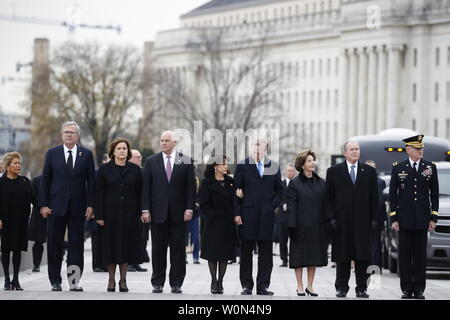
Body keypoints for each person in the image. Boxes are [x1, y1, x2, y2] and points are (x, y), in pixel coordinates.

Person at [39, 121, 96, 292]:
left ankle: (74, 281)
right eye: (66, 132)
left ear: (77, 135)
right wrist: (43, 205)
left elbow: (91, 182)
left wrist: (91, 205)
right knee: (54, 243)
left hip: (78, 207)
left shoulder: (86, 154)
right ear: (61, 135)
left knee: (76, 244)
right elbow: (45, 181)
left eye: (72, 132)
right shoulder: (52, 154)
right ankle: (55, 280)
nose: (69, 134)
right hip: (55, 207)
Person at [141, 131, 196, 294]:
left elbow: (190, 188)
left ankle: (176, 283)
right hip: (157, 213)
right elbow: (146, 188)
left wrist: (189, 208)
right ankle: (157, 282)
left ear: (175, 143)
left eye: (167, 140)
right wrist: (145, 209)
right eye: (161, 140)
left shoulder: (185, 161)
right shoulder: (151, 161)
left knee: (178, 251)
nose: (163, 143)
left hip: (179, 214)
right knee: (158, 249)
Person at [325, 141, 379, 298]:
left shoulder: (368, 171)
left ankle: (361, 288)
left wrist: (375, 218)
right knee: (343, 257)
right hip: (341, 222)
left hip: (363, 221)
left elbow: (374, 197)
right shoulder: (334, 171)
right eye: (352, 149)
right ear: (345, 152)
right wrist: (330, 218)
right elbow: (328, 198)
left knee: (363, 257)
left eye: (357, 149)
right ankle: (341, 287)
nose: (355, 152)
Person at [389, 134, 439, 299]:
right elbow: (392, 196)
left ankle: (418, 288)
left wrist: (433, 217)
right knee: (404, 255)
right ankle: (406, 288)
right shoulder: (398, 167)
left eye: (422, 148)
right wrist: (394, 218)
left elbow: (435, 195)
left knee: (419, 255)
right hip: (404, 220)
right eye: (418, 149)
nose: (421, 151)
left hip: (422, 219)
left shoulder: (430, 167)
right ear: (408, 150)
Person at [234, 138, 283, 296]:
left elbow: (280, 190)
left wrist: (272, 206)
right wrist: (237, 213)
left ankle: (263, 286)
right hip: (247, 215)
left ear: (265, 149)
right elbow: (235, 191)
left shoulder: (274, 166)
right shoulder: (242, 165)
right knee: (246, 252)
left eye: (259, 146)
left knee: (266, 254)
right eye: (254, 146)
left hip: (267, 217)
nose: (256, 149)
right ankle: (247, 285)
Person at [95, 138, 144, 292]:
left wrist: (142, 211)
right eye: (119, 148)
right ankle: (111, 280)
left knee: (126, 247)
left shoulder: (135, 170)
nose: (122, 151)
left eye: (124, 148)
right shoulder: (104, 169)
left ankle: (123, 280)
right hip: (109, 215)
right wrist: (99, 216)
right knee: (110, 247)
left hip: (130, 215)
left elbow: (140, 192)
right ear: (113, 152)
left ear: (128, 152)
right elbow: (99, 193)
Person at [286, 150, 328, 297]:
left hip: (317, 226)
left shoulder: (321, 183)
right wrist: (291, 226)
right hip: (299, 226)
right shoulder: (294, 183)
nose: (313, 163)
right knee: (299, 257)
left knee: (313, 257)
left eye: (313, 160)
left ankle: (310, 285)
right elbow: (291, 206)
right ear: (302, 165)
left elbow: (325, 204)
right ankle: (300, 285)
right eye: (309, 161)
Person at [199, 155, 237, 294]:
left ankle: (220, 281)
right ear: (215, 166)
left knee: (224, 254)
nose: (226, 166)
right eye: (223, 164)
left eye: (226, 164)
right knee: (212, 253)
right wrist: (212, 216)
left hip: (227, 222)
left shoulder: (231, 182)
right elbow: (203, 204)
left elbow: (234, 201)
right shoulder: (206, 183)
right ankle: (213, 280)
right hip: (212, 223)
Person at [0, 152, 37, 290]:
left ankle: (15, 279)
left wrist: (45, 207)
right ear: (7, 166)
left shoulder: (25, 181)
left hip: (21, 222)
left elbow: (35, 199)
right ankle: (7, 280)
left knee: (17, 250)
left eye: (19, 163)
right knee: (5, 250)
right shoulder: (1, 182)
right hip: (5, 222)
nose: (18, 165)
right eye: (15, 163)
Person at [127, 149, 148, 272]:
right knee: (131, 237)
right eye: (137, 157)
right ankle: (129, 262)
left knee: (143, 237)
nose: (140, 159)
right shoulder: (128, 170)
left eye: (140, 157)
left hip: (143, 209)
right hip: (131, 209)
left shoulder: (144, 170)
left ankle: (137, 262)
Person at [365, 160, 387, 271]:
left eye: (373, 168)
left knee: (376, 244)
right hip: (364, 219)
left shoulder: (380, 182)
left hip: (377, 219)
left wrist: (383, 220)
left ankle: (376, 267)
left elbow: (382, 202)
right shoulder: (362, 181)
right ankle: (365, 266)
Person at [277, 164, 296, 267]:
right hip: (282, 217)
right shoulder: (281, 184)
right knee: (282, 240)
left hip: (294, 217)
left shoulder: (297, 184)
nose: (290, 172)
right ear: (285, 172)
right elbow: (277, 197)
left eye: (292, 171)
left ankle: (293, 259)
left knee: (294, 240)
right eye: (288, 171)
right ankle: (284, 260)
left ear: (294, 172)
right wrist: (282, 205)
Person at [28, 175, 47, 272]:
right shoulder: (36, 180)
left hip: (55, 213)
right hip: (39, 214)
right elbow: (32, 197)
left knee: (56, 242)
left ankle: (57, 262)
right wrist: (42, 207)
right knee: (38, 242)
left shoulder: (59, 179)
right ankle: (36, 264)